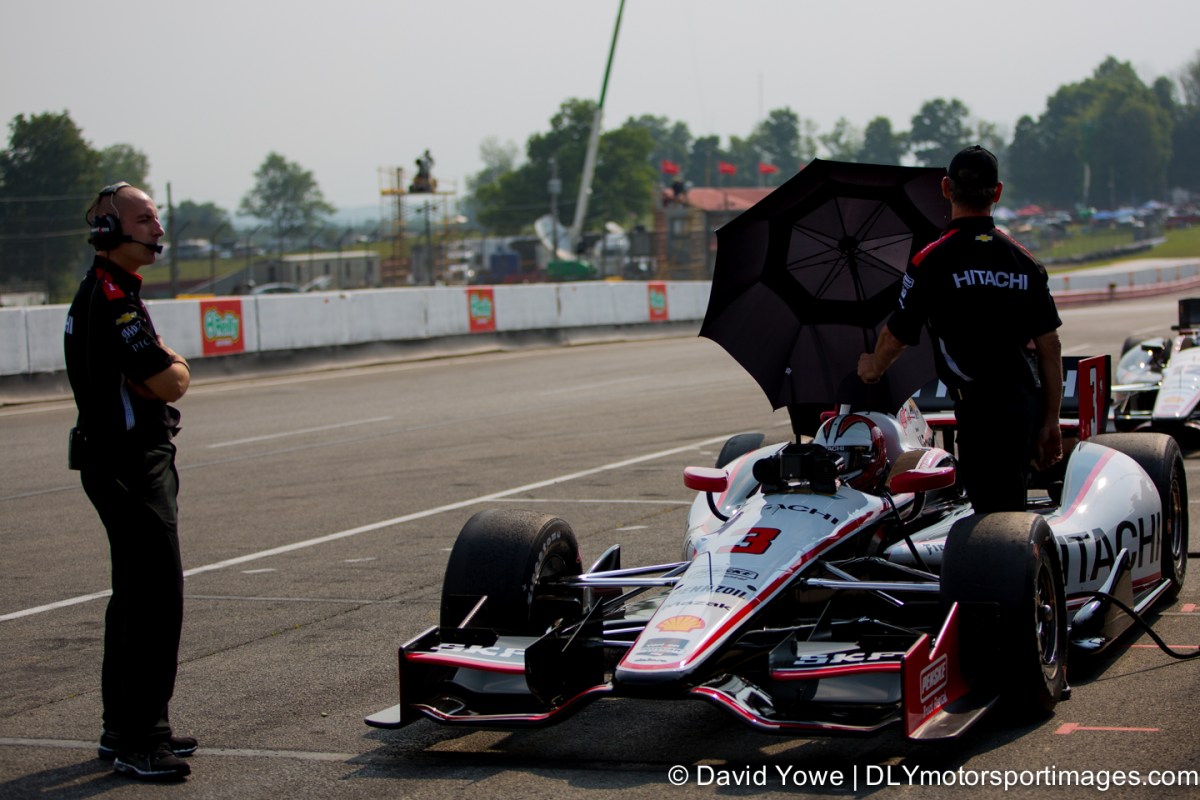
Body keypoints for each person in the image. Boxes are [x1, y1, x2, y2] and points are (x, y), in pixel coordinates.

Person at [64, 182, 196, 781]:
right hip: (129, 463)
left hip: (115, 460)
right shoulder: (114, 297)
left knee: (133, 600)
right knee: (154, 601)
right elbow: (168, 382)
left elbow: (151, 377)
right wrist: (175, 363)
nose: (158, 229)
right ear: (107, 229)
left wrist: (160, 368)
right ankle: (143, 741)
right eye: (144, 219)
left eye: (156, 218)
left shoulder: (104, 289)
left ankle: (124, 726)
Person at [856, 146, 1063, 512]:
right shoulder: (1024, 260)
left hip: (979, 408)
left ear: (946, 188)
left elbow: (897, 335)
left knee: (992, 516)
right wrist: (1051, 421)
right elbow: (1050, 346)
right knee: (1010, 501)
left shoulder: (932, 259)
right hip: (1022, 404)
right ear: (997, 193)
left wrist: (872, 367)